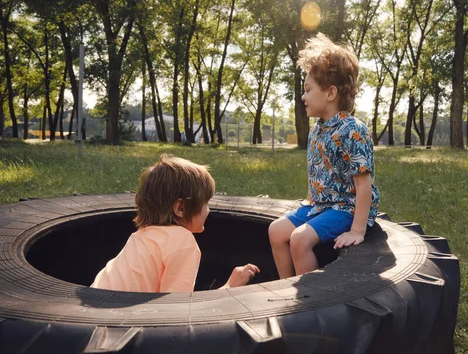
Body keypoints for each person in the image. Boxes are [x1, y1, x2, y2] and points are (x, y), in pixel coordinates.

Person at [268, 33, 380, 279]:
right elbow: (319, 170)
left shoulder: (353, 129)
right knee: (276, 231)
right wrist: (309, 200)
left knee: (299, 239)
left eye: (308, 90)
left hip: (346, 208)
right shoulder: (317, 129)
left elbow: (363, 185)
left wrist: (357, 230)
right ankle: (287, 287)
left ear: (330, 93)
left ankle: (312, 300)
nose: (303, 97)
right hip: (321, 205)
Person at [91, 154, 259, 292]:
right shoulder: (183, 242)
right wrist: (229, 287)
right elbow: (176, 310)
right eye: (206, 203)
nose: (208, 210)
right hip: (116, 322)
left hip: (95, 300)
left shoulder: (143, 235)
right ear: (180, 208)